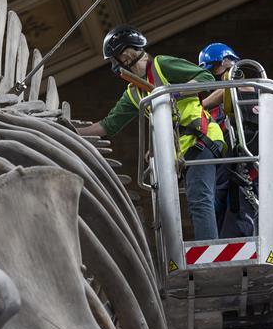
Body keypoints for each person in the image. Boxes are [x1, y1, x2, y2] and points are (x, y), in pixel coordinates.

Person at [76, 26, 225, 241]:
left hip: (201, 140)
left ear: (126, 54)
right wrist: (71, 131)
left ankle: (211, 252)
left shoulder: (162, 65)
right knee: (183, 204)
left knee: (199, 198)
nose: (114, 66)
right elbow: (108, 126)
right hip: (179, 153)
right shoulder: (134, 93)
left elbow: (205, 77)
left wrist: (174, 91)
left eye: (114, 59)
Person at [197, 42, 259, 238]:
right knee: (218, 210)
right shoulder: (217, 108)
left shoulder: (246, 90)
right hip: (226, 169)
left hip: (243, 170)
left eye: (214, 70)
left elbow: (237, 84)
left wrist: (202, 105)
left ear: (226, 64)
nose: (212, 77)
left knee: (239, 218)